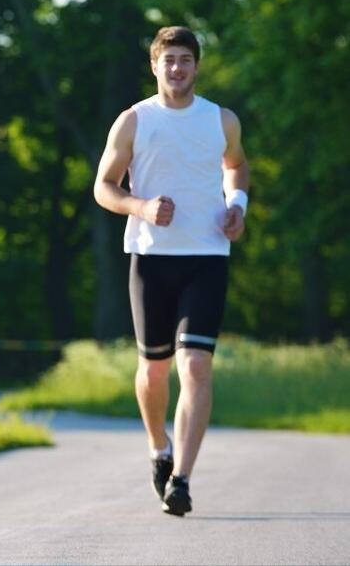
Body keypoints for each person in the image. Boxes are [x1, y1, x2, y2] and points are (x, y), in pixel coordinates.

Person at [93, 25, 250, 517]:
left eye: (185, 59)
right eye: (169, 60)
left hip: (206, 257)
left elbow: (237, 165)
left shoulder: (220, 120)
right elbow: (103, 186)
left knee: (197, 365)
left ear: (196, 65)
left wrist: (237, 205)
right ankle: (158, 446)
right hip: (151, 258)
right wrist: (140, 207)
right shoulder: (134, 121)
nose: (177, 68)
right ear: (155, 66)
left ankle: (180, 478)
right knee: (154, 370)